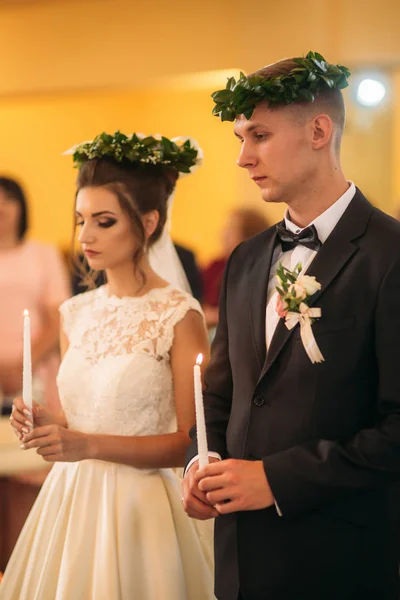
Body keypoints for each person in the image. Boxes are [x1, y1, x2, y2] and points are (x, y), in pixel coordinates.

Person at [182, 51, 400, 600]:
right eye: (240, 138)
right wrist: (201, 461)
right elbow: (220, 395)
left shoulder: (390, 254)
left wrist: (277, 479)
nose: (242, 157)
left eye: (258, 135)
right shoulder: (246, 259)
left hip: (340, 557)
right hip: (239, 559)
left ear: (319, 131)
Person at [3, 132, 214, 599]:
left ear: (148, 221)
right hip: (71, 502)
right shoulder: (75, 314)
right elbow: (81, 421)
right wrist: (48, 424)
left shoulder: (179, 315)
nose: (85, 237)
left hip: (143, 509)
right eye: (80, 220)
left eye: (103, 221)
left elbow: (190, 442)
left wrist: (86, 444)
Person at [0, 177, 70, 415]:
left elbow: (57, 318)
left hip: (37, 368)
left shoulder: (43, 254)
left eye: (8, 199)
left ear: (21, 207)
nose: (1, 206)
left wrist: (22, 367)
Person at [202, 207, 269, 328]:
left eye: (231, 229)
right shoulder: (216, 266)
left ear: (249, 237)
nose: (223, 234)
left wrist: (215, 316)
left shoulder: (260, 270)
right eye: (225, 228)